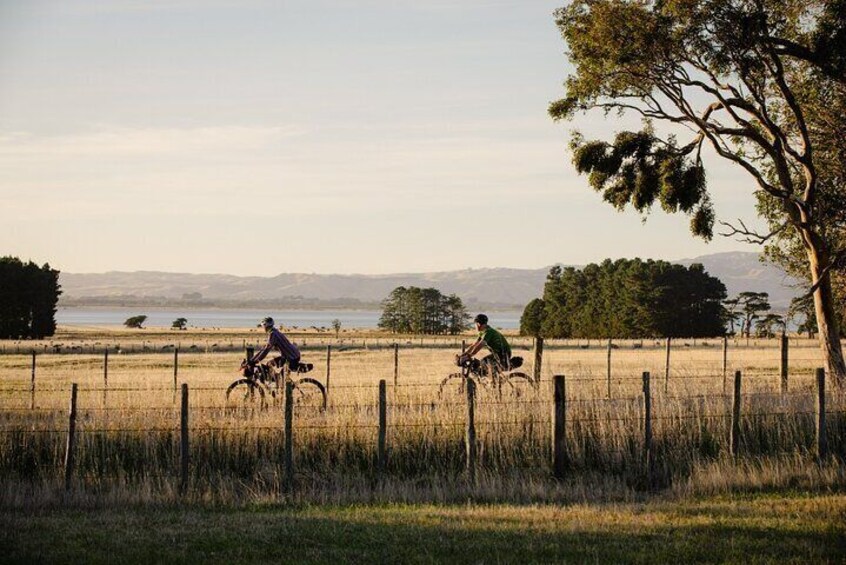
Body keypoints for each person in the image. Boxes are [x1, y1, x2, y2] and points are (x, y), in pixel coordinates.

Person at [459, 313, 512, 377]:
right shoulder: (482, 332)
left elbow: (479, 346)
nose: (475, 327)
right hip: (497, 353)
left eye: (475, 325)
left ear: (478, 324)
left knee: (484, 362)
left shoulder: (488, 332)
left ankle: (494, 383)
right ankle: (492, 380)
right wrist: (463, 355)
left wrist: (469, 355)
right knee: (485, 365)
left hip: (503, 354)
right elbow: (474, 345)